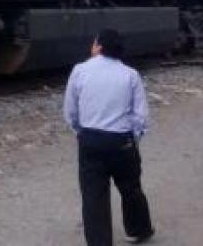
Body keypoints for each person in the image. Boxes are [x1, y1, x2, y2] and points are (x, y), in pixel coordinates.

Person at [63, 29, 154, 245]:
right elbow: (140, 116)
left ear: (99, 47)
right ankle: (139, 230)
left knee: (93, 195)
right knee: (131, 186)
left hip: (90, 140)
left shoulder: (80, 70)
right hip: (122, 141)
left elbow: (70, 111)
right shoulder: (130, 74)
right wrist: (132, 139)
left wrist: (81, 132)